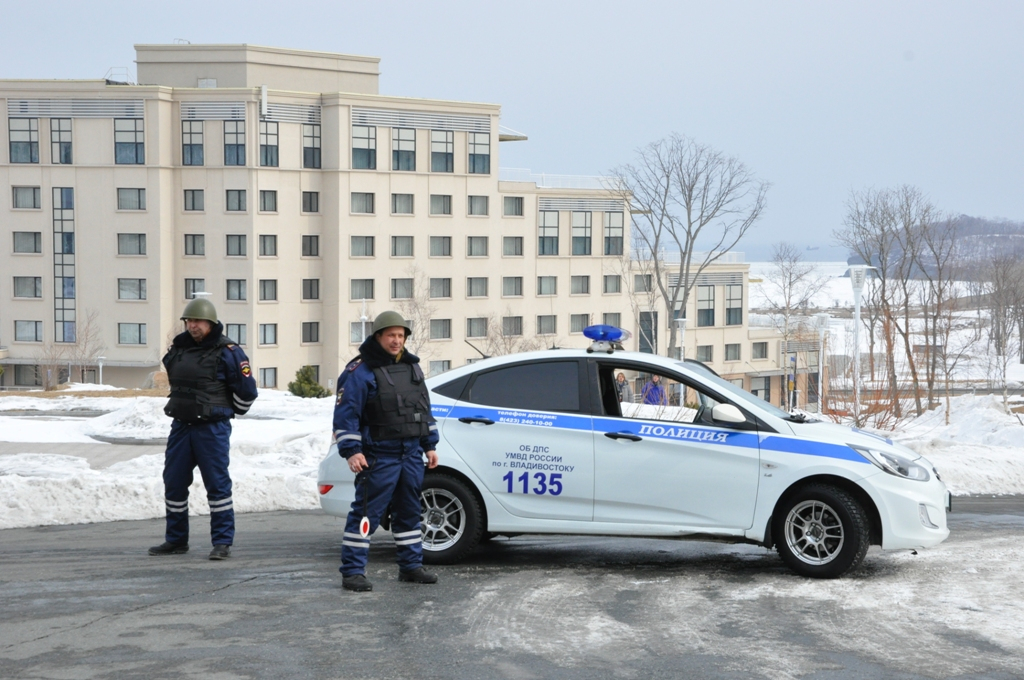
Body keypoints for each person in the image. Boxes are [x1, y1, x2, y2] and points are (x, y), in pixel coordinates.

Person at [332, 311, 440, 592]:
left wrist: (430, 445)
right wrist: (352, 451)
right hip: (379, 455)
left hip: (410, 454)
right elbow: (346, 415)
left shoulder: (413, 368)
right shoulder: (360, 371)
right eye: (391, 335)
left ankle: (411, 566)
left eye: (401, 336)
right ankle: (353, 571)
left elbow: (423, 410)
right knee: (366, 514)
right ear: (377, 336)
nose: (396, 341)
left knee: (409, 512)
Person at [149, 297, 258, 560]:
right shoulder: (180, 349)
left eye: (197, 321)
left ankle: (222, 542)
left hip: (212, 429)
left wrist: (227, 410)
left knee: (217, 486)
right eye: (189, 321)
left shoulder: (229, 352)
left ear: (210, 323)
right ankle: (175, 540)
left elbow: (247, 392)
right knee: (173, 483)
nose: (192, 326)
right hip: (181, 427)